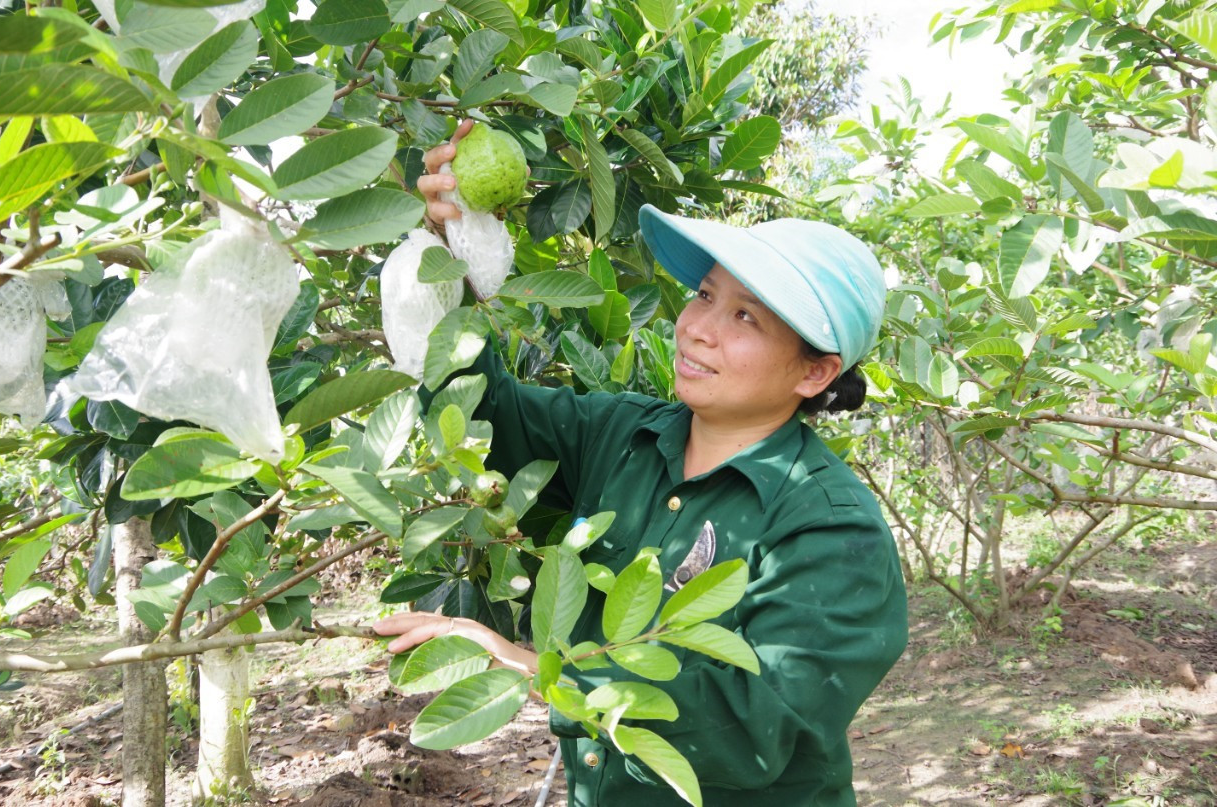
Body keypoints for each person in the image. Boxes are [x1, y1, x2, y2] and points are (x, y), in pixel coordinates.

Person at [374, 121, 909, 806]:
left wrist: (530, 667)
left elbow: (749, 726)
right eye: (706, 295)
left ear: (815, 372)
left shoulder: (834, 531)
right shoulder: (620, 433)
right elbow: (483, 418)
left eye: (747, 317)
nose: (697, 326)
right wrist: (452, 256)